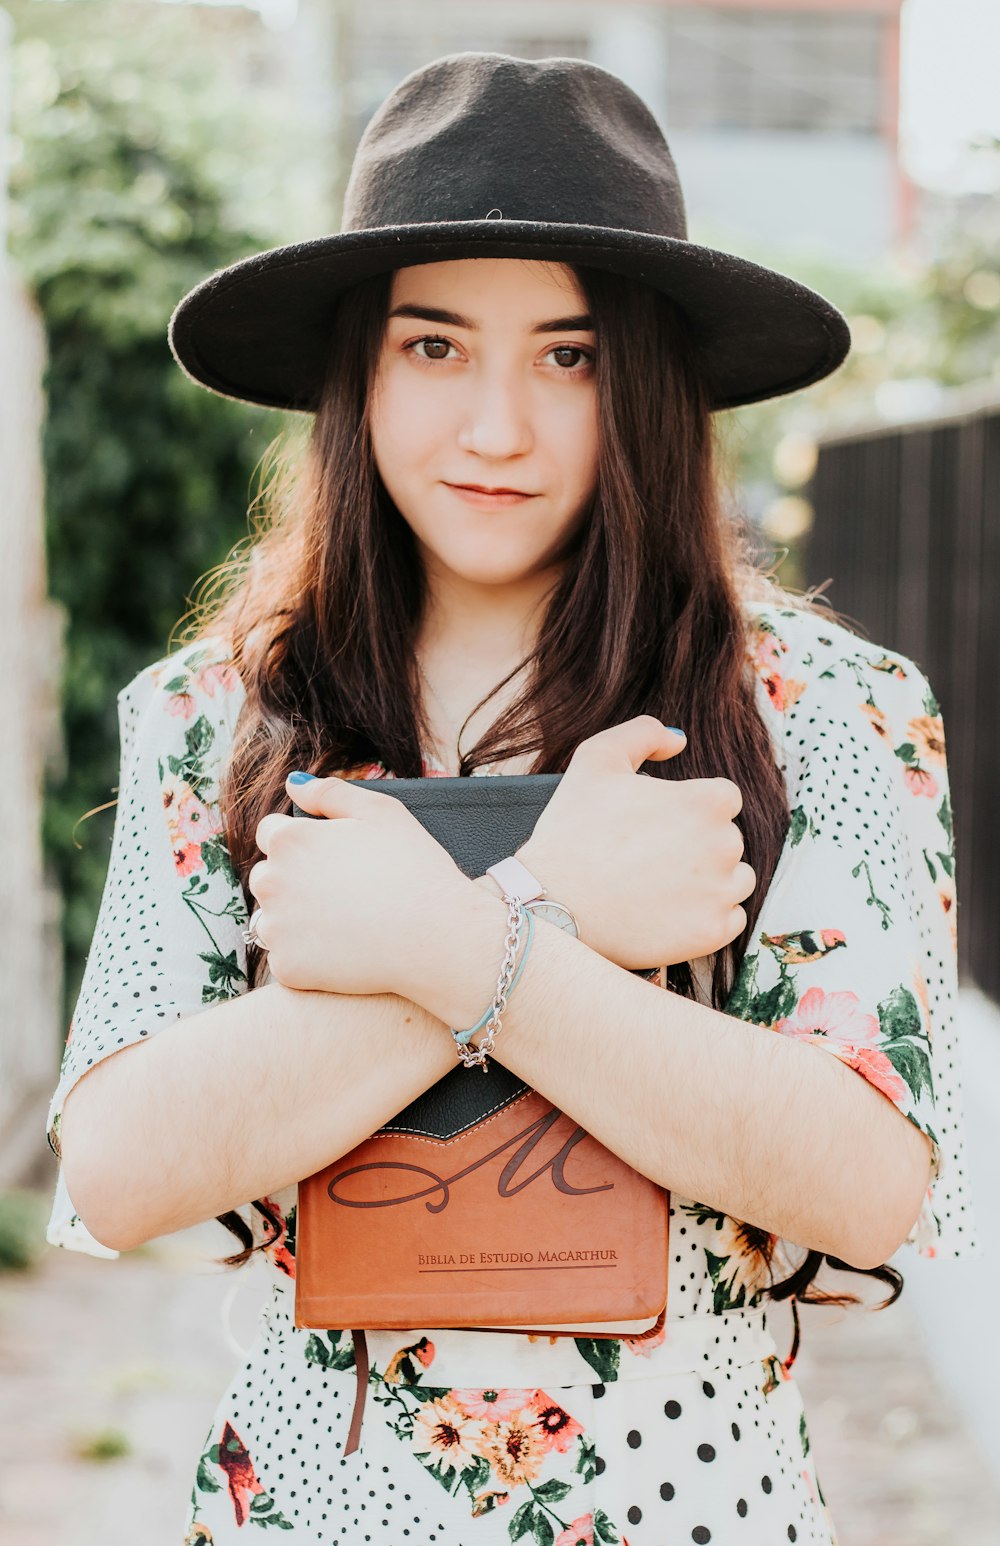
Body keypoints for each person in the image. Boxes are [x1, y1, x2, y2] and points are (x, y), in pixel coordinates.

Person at [45, 51, 974, 1546]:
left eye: (569, 355)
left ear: (653, 380)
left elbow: (866, 1182)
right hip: (307, 1509)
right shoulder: (221, 715)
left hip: (694, 1512)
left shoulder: (830, 715)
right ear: (355, 367)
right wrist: (557, 900)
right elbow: (122, 1162)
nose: (496, 428)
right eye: (433, 348)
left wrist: (458, 942)